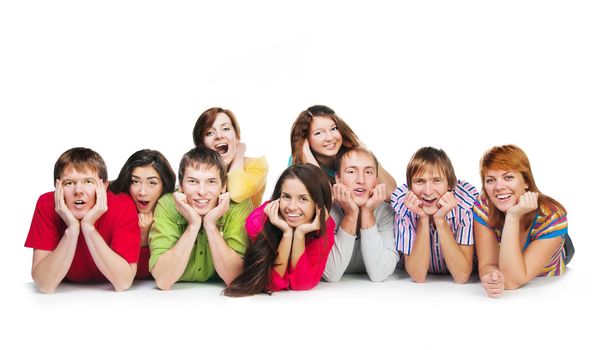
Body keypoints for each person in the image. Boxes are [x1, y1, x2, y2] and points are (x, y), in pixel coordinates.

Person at [25, 147, 140, 293]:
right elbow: (44, 285)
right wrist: (72, 229)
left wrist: (88, 227)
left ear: (104, 186)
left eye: (88, 182)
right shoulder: (46, 204)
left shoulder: (122, 205)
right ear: (57, 187)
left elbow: (123, 282)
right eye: (69, 183)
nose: (78, 190)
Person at [473, 144, 573, 298]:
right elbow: (489, 265)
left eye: (508, 177)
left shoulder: (552, 217)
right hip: (510, 255)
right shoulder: (483, 206)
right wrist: (491, 277)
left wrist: (513, 216)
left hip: (550, 250)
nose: (498, 187)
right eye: (490, 180)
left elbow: (511, 281)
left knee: (553, 237)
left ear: (526, 182)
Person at [149, 147, 253, 290]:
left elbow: (235, 279)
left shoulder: (238, 207)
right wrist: (193, 225)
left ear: (223, 186)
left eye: (211, 182)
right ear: (180, 187)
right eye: (193, 181)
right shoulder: (167, 205)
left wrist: (210, 225)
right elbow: (163, 281)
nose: (202, 192)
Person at [223, 164, 335, 296]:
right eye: (286, 197)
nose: (292, 207)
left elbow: (302, 284)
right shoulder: (258, 221)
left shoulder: (323, 224)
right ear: (278, 197)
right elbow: (271, 284)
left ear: (318, 204)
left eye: (303, 199)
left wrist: (299, 234)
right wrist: (287, 234)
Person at [391, 147, 479, 284]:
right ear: (410, 186)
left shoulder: (464, 204)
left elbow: (461, 276)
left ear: (450, 184)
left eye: (436, 181)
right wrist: (423, 219)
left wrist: (440, 220)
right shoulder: (404, 205)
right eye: (419, 181)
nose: (427, 191)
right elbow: (418, 275)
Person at [323, 147, 399, 282]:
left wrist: (367, 212)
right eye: (351, 171)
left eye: (368, 172)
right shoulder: (326, 211)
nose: (361, 180)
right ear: (338, 178)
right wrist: (351, 215)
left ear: (376, 180)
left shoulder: (386, 212)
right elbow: (331, 274)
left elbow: (379, 274)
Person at [289, 105, 396, 199]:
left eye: (334, 129)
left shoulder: (350, 155)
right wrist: (306, 153)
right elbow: (326, 201)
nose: (330, 138)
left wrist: (363, 151)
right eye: (318, 133)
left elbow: (391, 193)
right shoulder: (300, 159)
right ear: (305, 140)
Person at [109, 149, 176, 279]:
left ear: (164, 186)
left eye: (152, 183)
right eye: (135, 181)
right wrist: (141, 237)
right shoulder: (117, 207)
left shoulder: (170, 210)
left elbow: (156, 271)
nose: (142, 192)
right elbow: (126, 273)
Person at [193, 107, 268, 208]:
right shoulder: (194, 169)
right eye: (210, 132)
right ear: (201, 144)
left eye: (226, 129)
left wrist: (238, 156)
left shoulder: (257, 164)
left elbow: (237, 192)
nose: (219, 136)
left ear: (236, 136)